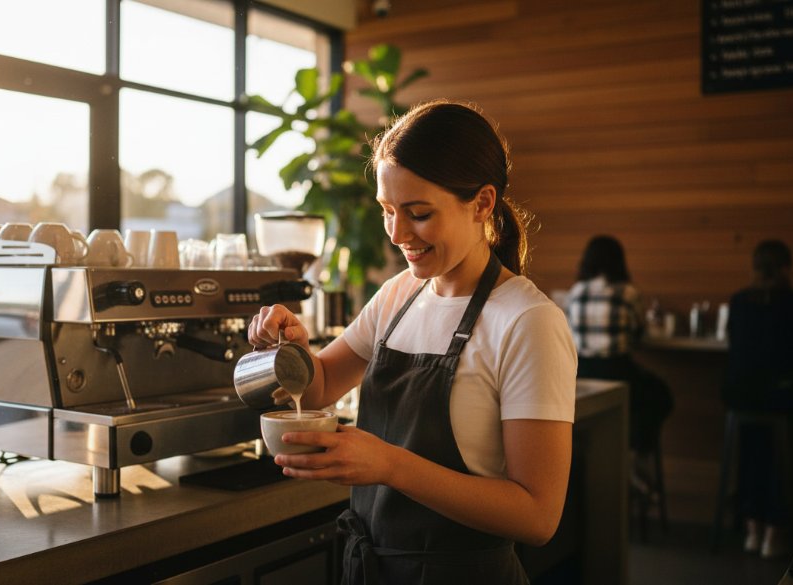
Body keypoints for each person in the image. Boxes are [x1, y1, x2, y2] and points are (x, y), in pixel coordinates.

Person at [247, 100, 577, 584]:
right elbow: (318, 388)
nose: (398, 234)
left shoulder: (527, 321)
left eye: (418, 213)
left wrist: (390, 465)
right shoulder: (398, 295)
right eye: (387, 210)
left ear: (482, 203)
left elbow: (537, 516)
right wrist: (291, 347)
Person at [723, 239, 793, 559]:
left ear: (753, 268)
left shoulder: (738, 301)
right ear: (786, 268)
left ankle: (752, 528)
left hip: (742, 398)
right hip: (782, 399)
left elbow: (734, 344)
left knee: (753, 445)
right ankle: (776, 533)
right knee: (787, 440)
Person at [565, 235, 673, 457]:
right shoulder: (627, 293)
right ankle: (635, 448)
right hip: (617, 372)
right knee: (661, 395)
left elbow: (570, 332)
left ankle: (613, 451)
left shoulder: (575, 293)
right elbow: (639, 332)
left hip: (581, 375)